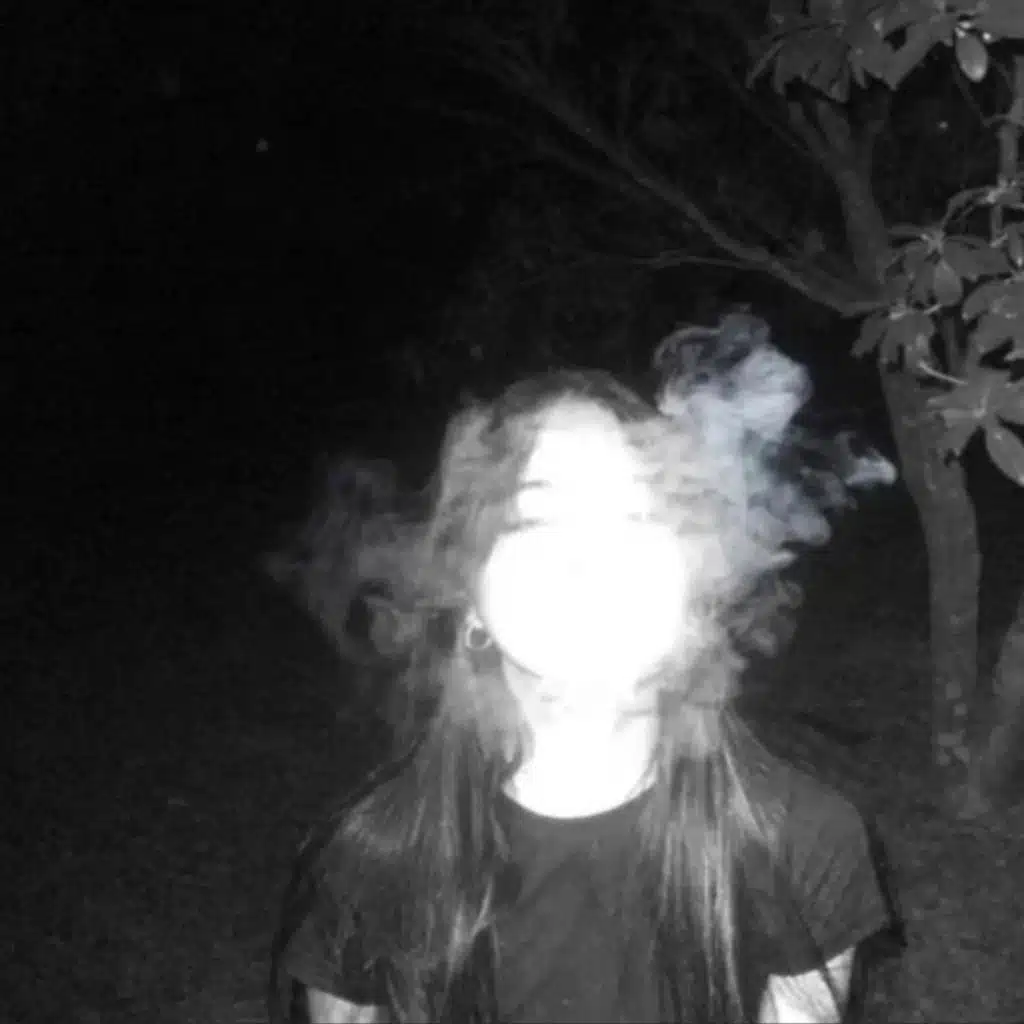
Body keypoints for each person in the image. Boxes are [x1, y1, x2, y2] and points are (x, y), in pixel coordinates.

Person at [268, 316, 895, 1023]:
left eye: (636, 517)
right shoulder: (370, 863)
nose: (591, 560)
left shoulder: (801, 842)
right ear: (469, 596)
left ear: (693, 586)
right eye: (537, 520)